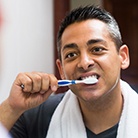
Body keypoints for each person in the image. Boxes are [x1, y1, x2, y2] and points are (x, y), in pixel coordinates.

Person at [0, 5, 138, 138]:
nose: (84, 63)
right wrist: (11, 107)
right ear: (61, 69)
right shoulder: (36, 118)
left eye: (97, 49)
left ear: (123, 57)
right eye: (71, 54)